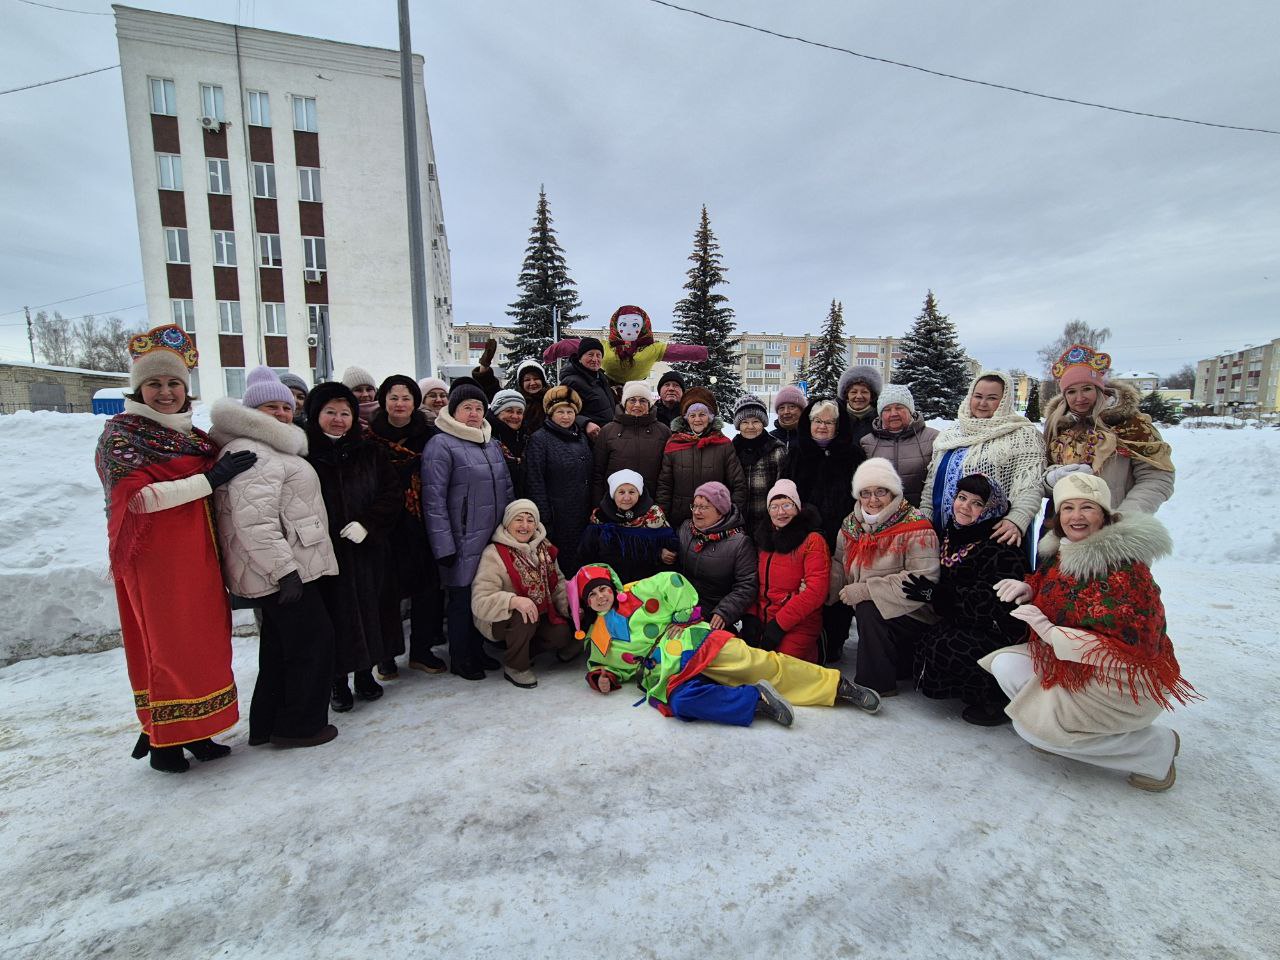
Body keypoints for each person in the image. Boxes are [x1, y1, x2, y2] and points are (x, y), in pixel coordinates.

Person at [981, 473, 1197, 792]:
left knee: (1031, 731)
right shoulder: (1067, 550)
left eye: (1087, 507)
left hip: (1122, 682)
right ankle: (1055, 730)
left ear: (1104, 515)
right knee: (1005, 665)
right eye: (1067, 508)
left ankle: (1152, 749)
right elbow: (1060, 589)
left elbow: (1135, 647)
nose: (1076, 516)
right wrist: (1030, 588)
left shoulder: (1126, 569)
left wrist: (1051, 631)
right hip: (1075, 665)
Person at [94, 324, 246, 773]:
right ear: (138, 388)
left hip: (196, 553)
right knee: (166, 646)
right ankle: (164, 742)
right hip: (155, 560)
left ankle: (196, 730)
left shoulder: (187, 436)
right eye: (155, 384)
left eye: (174, 383)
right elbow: (135, 501)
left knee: (203, 641)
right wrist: (208, 481)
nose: (166, 392)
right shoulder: (122, 438)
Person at [209, 367, 339, 748]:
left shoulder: (267, 447)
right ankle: (300, 726)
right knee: (313, 644)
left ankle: (267, 723)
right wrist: (285, 571)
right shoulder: (255, 452)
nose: (283, 413)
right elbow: (255, 522)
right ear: (252, 410)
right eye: (271, 407)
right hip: (282, 569)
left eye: (286, 406)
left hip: (283, 565)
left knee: (280, 647)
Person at [576, 567, 882, 722]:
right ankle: (756, 701)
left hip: (690, 641)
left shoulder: (638, 591)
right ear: (586, 603)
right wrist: (605, 676)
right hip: (663, 672)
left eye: (603, 589)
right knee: (683, 704)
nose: (601, 597)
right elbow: (605, 665)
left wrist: (684, 618)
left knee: (754, 662)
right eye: (592, 595)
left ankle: (835, 686)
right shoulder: (598, 635)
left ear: (613, 586)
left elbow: (673, 580)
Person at [304, 382, 403, 711]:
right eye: (330, 412)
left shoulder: (369, 451)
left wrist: (368, 524)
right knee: (335, 618)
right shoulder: (305, 456)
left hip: (367, 549)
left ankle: (365, 673)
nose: (338, 420)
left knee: (370, 611)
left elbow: (391, 493)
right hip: (324, 553)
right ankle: (337, 682)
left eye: (345, 413)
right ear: (316, 414)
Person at [905, 474, 1027, 725]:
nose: (965, 507)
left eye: (977, 503)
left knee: (947, 644)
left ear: (989, 510)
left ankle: (995, 699)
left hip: (999, 631)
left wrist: (935, 595)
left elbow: (990, 606)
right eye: (961, 498)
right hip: (959, 618)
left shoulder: (1001, 545)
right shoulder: (954, 532)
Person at [422, 379, 514, 679]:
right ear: (453, 410)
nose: (473, 414)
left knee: (483, 595)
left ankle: (478, 650)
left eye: (478, 408)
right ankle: (461, 658)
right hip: (461, 539)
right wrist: (444, 546)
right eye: (466, 408)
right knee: (461, 601)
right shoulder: (441, 444)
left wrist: (510, 530)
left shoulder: (489, 441)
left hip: (491, 536)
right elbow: (433, 499)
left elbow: (507, 487)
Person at [829, 458, 940, 696]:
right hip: (872, 616)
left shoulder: (916, 526)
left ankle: (874, 685)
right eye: (866, 493)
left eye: (880, 492)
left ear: (893, 492)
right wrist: (822, 588)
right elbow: (839, 564)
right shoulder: (851, 524)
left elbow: (924, 580)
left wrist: (867, 590)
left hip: (912, 615)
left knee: (868, 607)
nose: (873, 500)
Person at [367, 374, 447, 676]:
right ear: (384, 400)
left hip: (421, 520)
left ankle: (422, 651)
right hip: (384, 524)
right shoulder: (369, 438)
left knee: (427, 587)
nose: (400, 403)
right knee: (385, 592)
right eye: (394, 397)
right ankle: (385, 655)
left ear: (415, 403)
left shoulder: (428, 436)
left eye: (406, 398)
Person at [921, 370, 1047, 557]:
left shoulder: (1023, 435)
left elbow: (1030, 484)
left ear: (1004, 401)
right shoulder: (952, 432)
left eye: (992, 398)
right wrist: (926, 514)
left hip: (993, 538)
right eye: (978, 396)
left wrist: (1016, 519)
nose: (982, 403)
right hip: (944, 534)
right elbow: (932, 480)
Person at [1042, 343, 1175, 515]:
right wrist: (1052, 480)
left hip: (1112, 526)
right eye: (1071, 392)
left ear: (1099, 389)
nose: (1079, 398)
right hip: (1062, 527)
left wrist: (1125, 517)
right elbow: (1040, 478)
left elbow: (1157, 476)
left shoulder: (1131, 425)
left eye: (1087, 389)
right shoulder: (1057, 427)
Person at [782, 397, 865, 662]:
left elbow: (861, 496)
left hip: (842, 534)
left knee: (836, 587)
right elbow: (786, 492)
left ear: (838, 426)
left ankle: (835, 639)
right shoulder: (796, 452)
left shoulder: (853, 455)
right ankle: (805, 637)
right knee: (803, 586)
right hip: (802, 534)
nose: (822, 426)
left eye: (829, 422)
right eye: (817, 421)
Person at [471, 500, 576, 688]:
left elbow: (557, 583)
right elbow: (480, 601)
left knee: (561, 634)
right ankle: (515, 666)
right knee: (524, 613)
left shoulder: (544, 548)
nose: (525, 526)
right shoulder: (494, 553)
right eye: (518, 520)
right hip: (499, 620)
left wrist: (569, 606)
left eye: (530, 520)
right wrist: (512, 601)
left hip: (538, 616)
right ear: (507, 523)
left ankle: (522, 650)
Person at [745, 479, 830, 663]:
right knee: (743, 667)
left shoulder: (812, 541)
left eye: (786, 505)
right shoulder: (764, 541)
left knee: (778, 670)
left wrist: (779, 625)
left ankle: (814, 652)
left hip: (797, 623)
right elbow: (751, 583)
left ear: (797, 508)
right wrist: (751, 617)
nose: (780, 512)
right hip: (763, 620)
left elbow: (815, 592)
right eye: (774, 507)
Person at [665, 481, 756, 632]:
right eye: (694, 506)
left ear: (720, 512)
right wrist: (663, 554)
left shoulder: (739, 543)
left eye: (704, 507)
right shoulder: (685, 529)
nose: (696, 512)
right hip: (681, 601)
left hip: (714, 608)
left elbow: (747, 585)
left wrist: (724, 612)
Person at [524, 385, 593, 580]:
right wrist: (545, 519)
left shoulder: (580, 437)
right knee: (563, 567)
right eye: (560, 412)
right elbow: (535, 481)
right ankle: (566, 606)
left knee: (582, 561)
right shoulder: (540, 439)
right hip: (558, 518)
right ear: (551, 414)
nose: (566, 417)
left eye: (570, 411)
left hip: (582, 514)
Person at [543, 305, 708, 386]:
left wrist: (704, 353)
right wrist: (550, 353)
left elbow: (679, 351)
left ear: (643, 327)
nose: (629, 331)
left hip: (638, 390)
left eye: (635, 326)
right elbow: (572, 345)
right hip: (607, 388)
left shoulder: (653, 348)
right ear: (615, 326)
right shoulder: (604, 346)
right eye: (624, 325)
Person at [656, 386, 747, 529]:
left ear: (710, 417)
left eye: (702, 414)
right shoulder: (673, 443)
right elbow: (665, 486)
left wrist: (729, 516)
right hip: (679, 519)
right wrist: (662, 520)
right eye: (692, 415)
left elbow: (738, 484)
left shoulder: (723, 445)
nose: (697, 420)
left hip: (715, 520)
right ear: (686, 418)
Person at [578, 469, 675, 584]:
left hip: (646, 583)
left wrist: (661, 553)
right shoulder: (601, 518)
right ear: (613, 495)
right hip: (611, 583)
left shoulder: (654, 515)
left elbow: (669, 545)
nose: (627, 498)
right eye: (621, 492)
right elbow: (587, 556)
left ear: (639, 493)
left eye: (632, 492)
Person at [590, 380, 670, 505]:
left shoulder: (663, 431)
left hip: (651, 503)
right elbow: (598, 473)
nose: (637, 405)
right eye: (632, 400)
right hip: (614, 503)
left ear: (649, 404)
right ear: (624, 403)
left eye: (643, 400)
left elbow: (667, 475)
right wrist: (598, 504)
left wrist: (661, 506)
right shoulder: (608, 431)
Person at [859, 384, 938, 507]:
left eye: (899, 407)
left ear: (910, 410)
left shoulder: (933, 438)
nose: (893, 413)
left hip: (921, 515)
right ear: (880, 414)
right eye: (887, 409)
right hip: (881, 516)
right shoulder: (867, 443)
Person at [731, 394, 787, 534]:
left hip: (768, 525)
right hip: (736, 525)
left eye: (755, 421)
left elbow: (782, 491)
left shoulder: (776, 450)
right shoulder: (731, 450)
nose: (750, 426)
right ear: (738, 425)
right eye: (744, 422)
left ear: (763, 423)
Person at [557, 336, 614, 434]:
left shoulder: (601, 378)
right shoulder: (572, 381)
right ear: (580, 358)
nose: (595, 359)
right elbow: (563, 411)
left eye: (598, 355)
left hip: (606, 435)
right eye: (590, 355)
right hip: (588, 437)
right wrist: (585, 423)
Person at [488, 389, 530, 497]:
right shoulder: (486, 439)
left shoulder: (527, 438)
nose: (515, 416)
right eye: (509, 411)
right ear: (497, 412)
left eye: (519, 412)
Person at [837, 365, 882, 445]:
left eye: (864, 392)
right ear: (846, 395)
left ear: (872, 396)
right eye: (854, 392)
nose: (858, 396)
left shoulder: (880, 421)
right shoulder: (836, 417)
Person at [512, 358, 549, 434]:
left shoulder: (553, 400)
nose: (532, 383)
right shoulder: (516, 403)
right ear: (521, 384)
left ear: (543, 381)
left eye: (536, 378)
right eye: (527, 380)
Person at [770, 385, 806, 451]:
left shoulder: (810, 437)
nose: (786, 412)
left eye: (792, 407)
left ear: (801, 410)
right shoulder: (769, 439)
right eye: (782, 408)